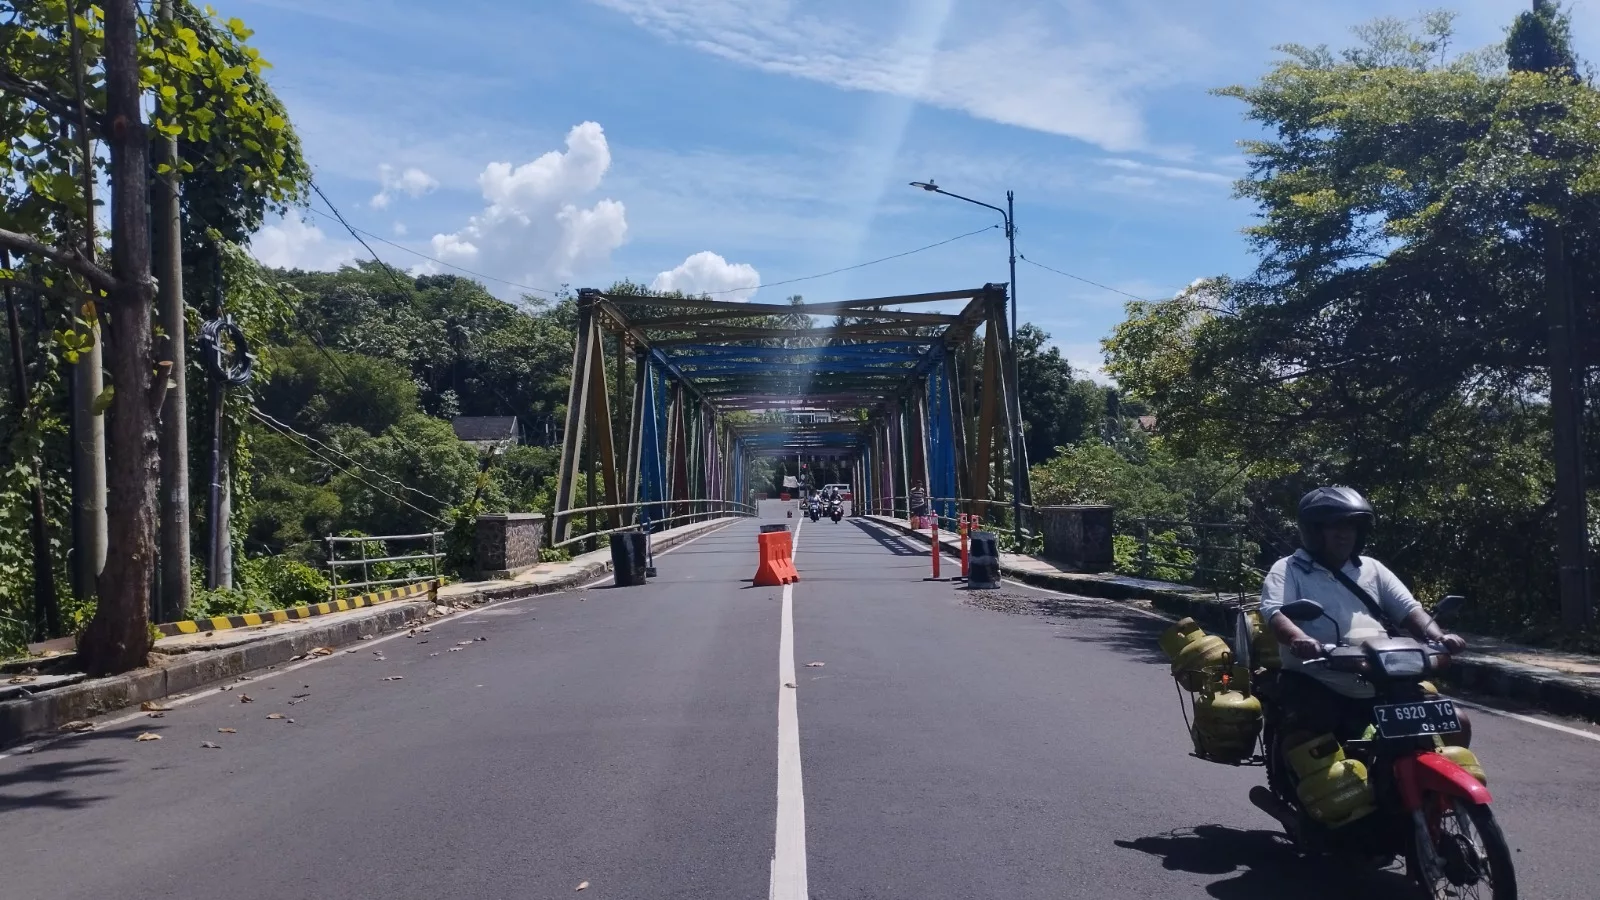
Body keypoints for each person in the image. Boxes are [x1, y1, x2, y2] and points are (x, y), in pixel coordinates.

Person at [1259, 486, 1471, 747]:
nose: (1344, 534)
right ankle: (1297, 787)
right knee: (1311, 732)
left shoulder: (1372, 568)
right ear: (1314, 531)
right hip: (1318, 677)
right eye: (1335, 527)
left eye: (1351, 527)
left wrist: (1439, 637)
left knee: (1457, 722)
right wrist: (1299, 639)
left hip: (1380, 676)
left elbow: (1408, 609)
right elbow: (1275, 613)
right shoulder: (1289, 569)